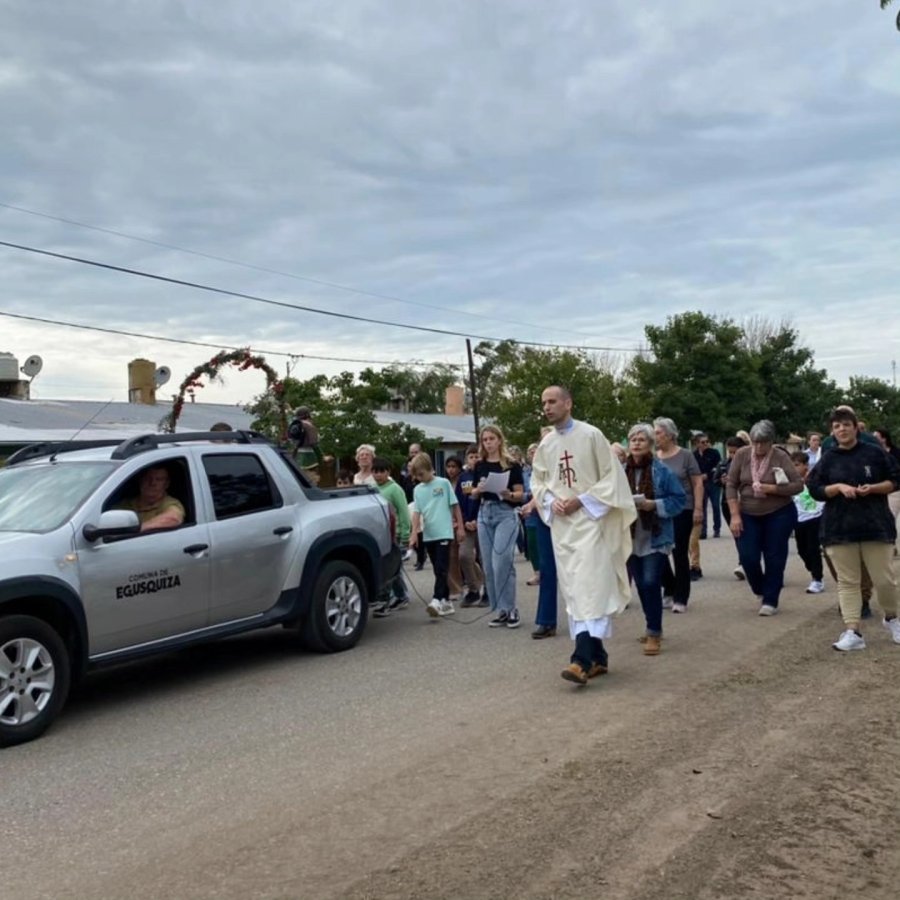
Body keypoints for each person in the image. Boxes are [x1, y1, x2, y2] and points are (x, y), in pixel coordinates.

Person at [531, 386, 636, 686]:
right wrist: (551, 501)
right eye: (544, 403)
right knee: (576, 592)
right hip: (563, 528)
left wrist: (582, 500)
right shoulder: (546, 445)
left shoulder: (592, 435)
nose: (547, 407)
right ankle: (598, 658)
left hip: (592, 523)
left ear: (568, 403)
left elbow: (613, 479)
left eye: (552, 401)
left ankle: (580, 661)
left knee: (591, 588)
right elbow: (538, 482)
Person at [807, 407, 900, 651]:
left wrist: (874, 488)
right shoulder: (828, 458)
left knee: (884, 580)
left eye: (846, 424)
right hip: (839, 528)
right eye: (837, 426)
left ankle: (892, 618)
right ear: (832, 432)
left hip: (875, 526)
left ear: (856, 427)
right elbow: (815, 488)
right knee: (848, 582)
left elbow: (895, 479)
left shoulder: (874, 452)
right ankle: (853, 631)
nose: (842, 429)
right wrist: (837, 487)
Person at [726, 419, 803, 616]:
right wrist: (735, 515)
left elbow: (798, 485)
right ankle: (760, 589)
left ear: (771, 441)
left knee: (774, 556)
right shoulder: (742, 455)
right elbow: (731, 484)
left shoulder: (780, 456)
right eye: (755, 442)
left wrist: (772, 489)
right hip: (748, 512)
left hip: (779, 512)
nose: (759, 447)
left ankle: (770, 599)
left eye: (763, 443)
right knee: (748, 556)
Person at [624, 424, 686, 656]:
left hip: (656, 537)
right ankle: (652, 624)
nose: (636, 443)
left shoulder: (661, 470)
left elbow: (679, 500)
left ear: (650, 444)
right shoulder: (620, 471)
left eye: (641, 439)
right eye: (633, 439)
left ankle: (653, 632)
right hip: (630, 536)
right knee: (641, 584)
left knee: (651, 582)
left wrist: (655, 505)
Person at [471, 425, 525, 628]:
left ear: (500, 440)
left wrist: (508, 494)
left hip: (505, 512)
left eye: (491, 439)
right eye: (485, 440)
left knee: (501, 561)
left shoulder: (511, 464)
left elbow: (520, 493)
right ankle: (500, 609)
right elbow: (473, 492)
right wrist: (477, 490)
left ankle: (511, 608)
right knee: (488, 563)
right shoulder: (480, 465)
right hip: (485, 512)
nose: (488, 443)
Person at [654, 417, 704, 611]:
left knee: (679, 551)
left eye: (658, 432)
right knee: (658, 551)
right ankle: (669, 587)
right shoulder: (654, 457)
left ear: (669, 435)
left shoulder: (685, 455)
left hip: (683, 508)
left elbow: (697, 483)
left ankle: (681, 597)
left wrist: (698, 508)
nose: (655, 436)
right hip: (659, 509)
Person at [408, 452, 465, 618]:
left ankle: (436, 599)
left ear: (430, 469)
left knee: (441, 567)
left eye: (421, 474)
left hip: (444, 532)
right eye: (417, 476)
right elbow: (416, 512)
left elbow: (455, 505)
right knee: (437, 569)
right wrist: (414, 533)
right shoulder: (418, 489)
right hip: (429, 533)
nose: (420, 478)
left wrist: (460, 527)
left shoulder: (443, 483)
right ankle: (446, 600)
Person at [371, 457, 412, 617]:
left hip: (396, 534)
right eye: (375, 471)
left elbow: (403, 511)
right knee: (394, 569)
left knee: (389, 568)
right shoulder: (372, 489)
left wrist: (405, 534)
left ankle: (385, 601)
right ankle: (401, 596)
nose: (378, 475)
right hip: (380, 535)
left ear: (388, 472)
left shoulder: (395, 489)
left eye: (381, 471)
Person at [789, 451, 825, 594]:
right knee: (802, 550)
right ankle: (812, 568)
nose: (794, 468)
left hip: (815, 517)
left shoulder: (814, 479)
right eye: (792, 465)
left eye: (797, 465)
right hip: (799, 519)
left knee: (813, 548)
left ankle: (817, 579)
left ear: (805, 465)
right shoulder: (791, 482)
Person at [456, 445, 486, 607]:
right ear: (466, 459)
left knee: (484, 558)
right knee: (464, 555)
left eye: (477, 456)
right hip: (467, 523)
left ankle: (488, 590)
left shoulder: (485, 475)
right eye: (471, 457)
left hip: (482, 521)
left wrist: (476, 519)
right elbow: (458, 502)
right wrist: (464, 521)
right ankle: (473, 589)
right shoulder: (463, 478)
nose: (474, 459)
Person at [716, 436, 749, 580]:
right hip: (728, 503)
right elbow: (715, 479)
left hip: (747, 503)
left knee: (748, 534)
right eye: (730, 452)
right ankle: (743, 562)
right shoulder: (724, 464)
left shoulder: (751, 463)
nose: (732, 455)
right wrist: (721, 480)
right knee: (737, 534)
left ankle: (746, 562)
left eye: (735, 452)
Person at [117, 466, 185, 532]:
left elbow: (173, 518)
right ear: (141, 480)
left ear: (166, 484)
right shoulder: (126, 504)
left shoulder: (169, 503)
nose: (152, 483)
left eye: (159, 479)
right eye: (148, 478)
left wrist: (138, 530)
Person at [443, 455, 465, 599]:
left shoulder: (463, 482)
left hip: (463, 520)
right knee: (452, 557)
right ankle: (456, 588)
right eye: (448, 467)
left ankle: (477, 579)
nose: (451, 470)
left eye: (454, 467)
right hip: (449, 522)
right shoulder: (445, 483)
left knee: (465, 556)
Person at [693, 433, 722, 539]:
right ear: (697, 444)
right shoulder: (694, 455)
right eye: (703, 442)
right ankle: (703, 531)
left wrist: (707, 475)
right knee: (702, 506)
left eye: (707, 441)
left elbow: (718, 467)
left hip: (713, 483)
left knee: (715, 506)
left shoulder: (714, 453)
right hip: (700, 484)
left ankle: (717, 529)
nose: (706, 444)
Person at [521, 443, 541, 586]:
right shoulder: (525, 472)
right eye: (530, 452)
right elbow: (521, 489)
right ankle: (537, 572)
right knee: (532, 542)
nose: (533, 454)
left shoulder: (546, 468)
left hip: (545, 508)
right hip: (530, 510)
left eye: (535, 451)